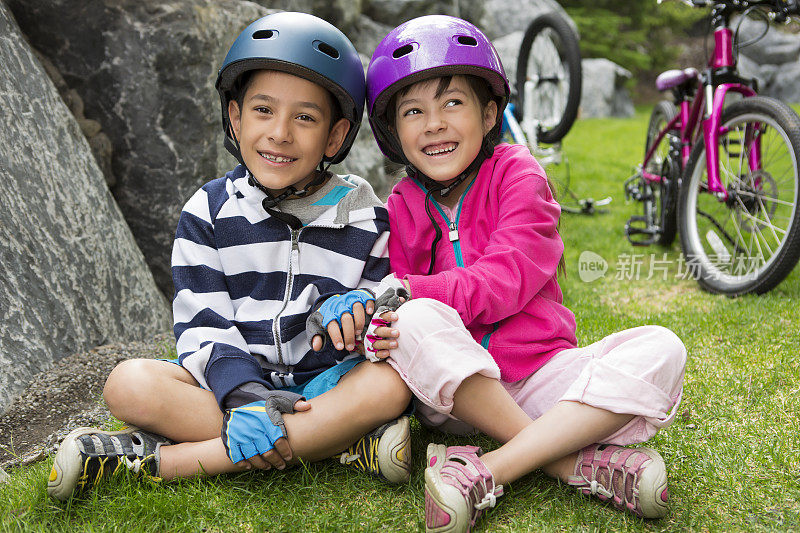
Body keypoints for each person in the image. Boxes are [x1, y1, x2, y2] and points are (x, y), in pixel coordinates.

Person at [46, 12, 413, 503]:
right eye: (263, 110)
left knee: (389, 385)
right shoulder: (209, 212)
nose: (280, 133)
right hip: (228, 388)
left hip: (325, 384)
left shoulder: (364, 214)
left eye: (304, 117)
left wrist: (357, 307)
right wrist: (244, 395)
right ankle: (340, 444)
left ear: (334, 136)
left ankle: (153, 462)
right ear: (235, 118)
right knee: (128, 384)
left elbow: (384, 301)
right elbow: (202, 323)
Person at [360, 15, 687, 532]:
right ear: (394, 133)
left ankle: (488, 468)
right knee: (413, 319)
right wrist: (386, 320)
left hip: (541, 377)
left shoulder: (519, 173)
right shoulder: (399, 206)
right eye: (413, 111)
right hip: (455, 391)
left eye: (453, 103)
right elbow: (399, 314)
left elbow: (508, 276)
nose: (434, 123)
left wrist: (413, 291)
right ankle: (574, 463)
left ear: (490, 113)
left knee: (663, 349)